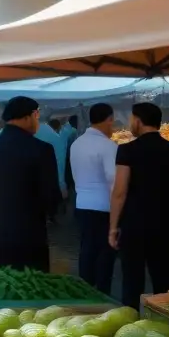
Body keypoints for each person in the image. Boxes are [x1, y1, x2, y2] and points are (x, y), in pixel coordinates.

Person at [110, 102, 169, 309]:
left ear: (138, 120)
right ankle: (166, 323)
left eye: (131, 119)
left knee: (132, 281)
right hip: (165, 224)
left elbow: (120, 191)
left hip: (133, 226)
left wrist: (112, 228)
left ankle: (131, 323)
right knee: (164, 280)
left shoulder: (127, 150)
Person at [0, 96, 62, 271]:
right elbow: (51, 196)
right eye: (37, 117)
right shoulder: (42, 149)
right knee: (29, 285)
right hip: (29, 232)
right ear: (31, 115)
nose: (37, 122)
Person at [69, 103, 117, 296]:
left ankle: (84, 290)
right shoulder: (108, 146)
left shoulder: (77, 143)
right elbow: (113, 180)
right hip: (103, 207)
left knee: (87, 249)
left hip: (82, 204)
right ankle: (102, 294)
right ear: (109, 119)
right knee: (105, 253)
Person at [36, 117, 68, 201]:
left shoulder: (31, 132)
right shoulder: (56, 139)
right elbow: (60, 163)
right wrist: (62, 186)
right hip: (51, 184)